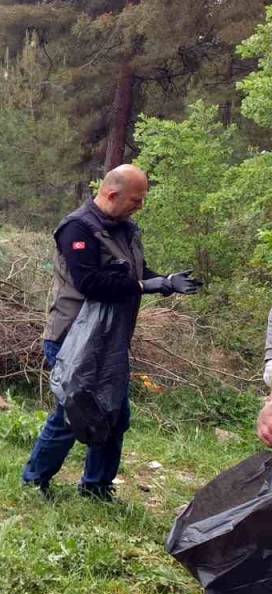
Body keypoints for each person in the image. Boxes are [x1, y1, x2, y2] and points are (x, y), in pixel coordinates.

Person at [22, 164, 202, 500]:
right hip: (72, 338)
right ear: (111, 194)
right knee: (72, 414)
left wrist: (165, 281)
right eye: (136, 199)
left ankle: (96, 487)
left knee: (114, 414)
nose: (140, 206)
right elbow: (91, 283)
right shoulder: (77, 229)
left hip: (110, 341)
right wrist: (146, 285)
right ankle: (35, 482)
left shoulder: (125, 228)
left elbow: (134, 272)